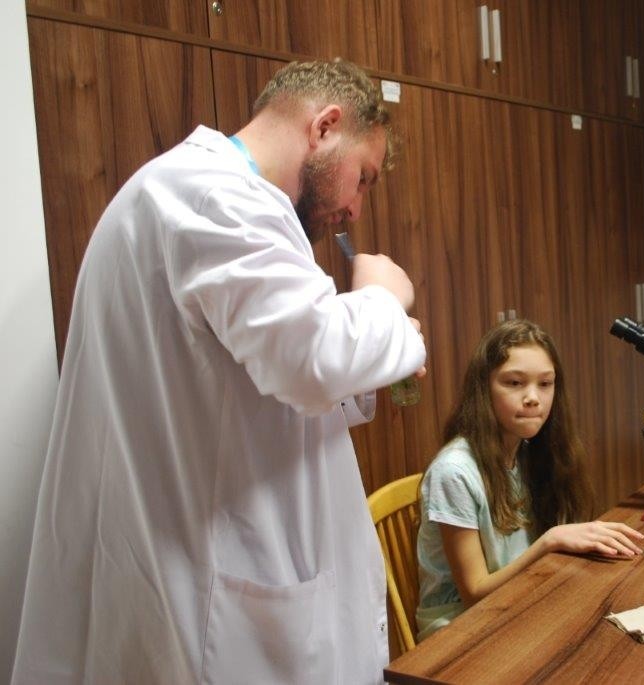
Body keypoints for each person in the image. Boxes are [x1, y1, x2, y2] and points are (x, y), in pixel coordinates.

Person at [13, 59, 426, 684]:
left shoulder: (211, 200)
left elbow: (244, 388)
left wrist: (373, 357)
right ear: (324, 126)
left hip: (220, 575)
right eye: (362, 178)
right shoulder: (214, 196)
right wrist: (382, 298)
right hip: (214, 605)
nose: (355, 209)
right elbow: (310, 359)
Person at [415, 320, 644, 640]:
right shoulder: (454, 472)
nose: (533, 398)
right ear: (483, 389)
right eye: (514, 383)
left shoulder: (527, 451)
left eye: (545, 384)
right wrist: (550, 541)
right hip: (460, 631)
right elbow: (474, 594)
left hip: (518, 603)